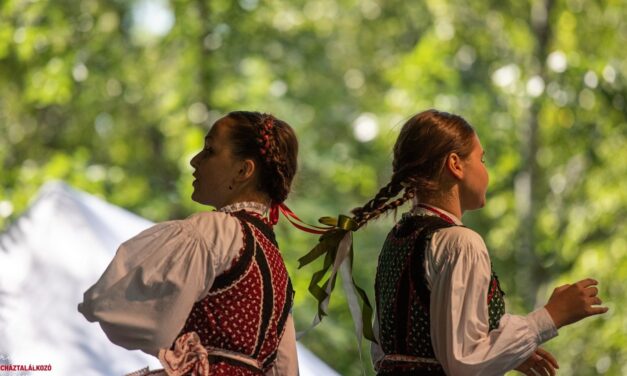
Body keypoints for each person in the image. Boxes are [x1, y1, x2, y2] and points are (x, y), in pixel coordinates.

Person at [316, 109, 607, 375]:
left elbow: (396, 351)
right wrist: (550, 316)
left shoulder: (399, 238)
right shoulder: (460, 243)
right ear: (455, 164)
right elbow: (465, 363)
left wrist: (508, 352)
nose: (485, 171)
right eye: (481, 159)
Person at [78, 111, 300, 376]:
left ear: (243, 170)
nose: (195, 161)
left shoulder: (217, 231)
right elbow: (287, 368)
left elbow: (110, 304)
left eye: (209, 150)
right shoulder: (276, 268)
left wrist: (175, 345)